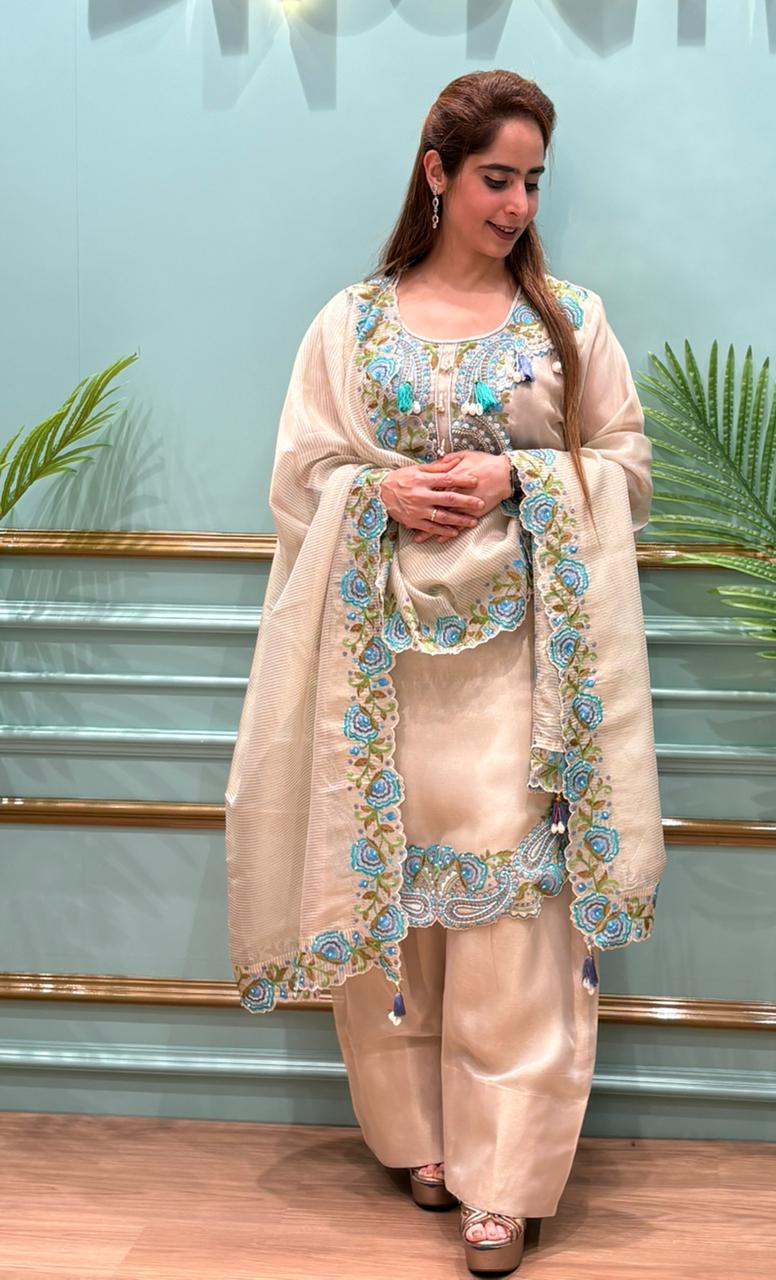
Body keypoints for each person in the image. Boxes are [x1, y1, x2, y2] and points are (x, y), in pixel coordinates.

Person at [224, 69, 666, 1276]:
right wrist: (379, 493)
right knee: (395, 901)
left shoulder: (571, 323)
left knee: (516, 916)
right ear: (437, 172)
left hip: (524, 669)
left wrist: (519, 477)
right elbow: (300, 480)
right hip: (379, 668)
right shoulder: (351, 324)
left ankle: (506, 1176)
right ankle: (422, 1135)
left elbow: (625, 470)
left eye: (533, 182)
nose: (518, 204)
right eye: (495, 178)